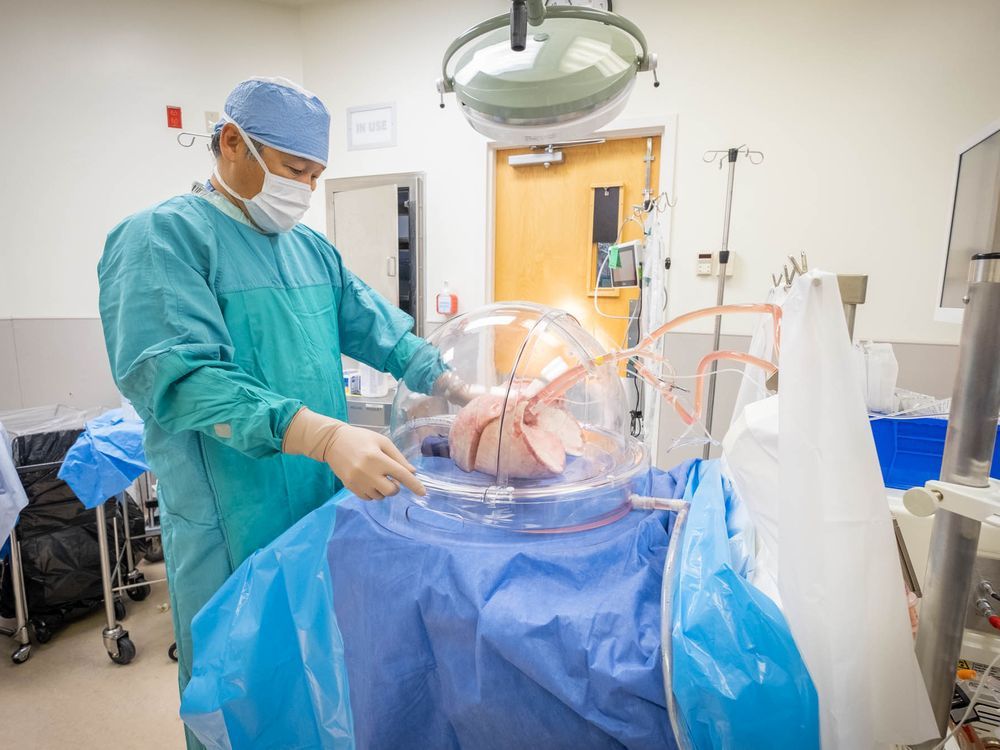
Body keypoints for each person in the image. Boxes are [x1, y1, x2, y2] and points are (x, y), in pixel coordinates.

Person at [98, 77, 466, 750]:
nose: (305, 187)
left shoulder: (310, 250)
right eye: (295, 169)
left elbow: (376, 326)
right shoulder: (161, 239)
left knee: (321, 679)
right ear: (232, 142)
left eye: (317, 175)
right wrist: (319, 433)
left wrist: (457, 386)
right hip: (230, 520)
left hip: (319, 512)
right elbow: (181, 378)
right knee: (242, 693)